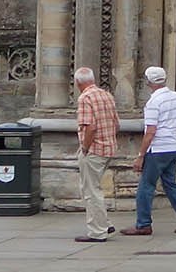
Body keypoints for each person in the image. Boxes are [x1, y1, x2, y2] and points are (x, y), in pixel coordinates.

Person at [121, 65, 176, 235]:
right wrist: (172, 138)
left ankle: (143, 224)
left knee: (145, 186)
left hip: (157, 149)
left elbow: (150, 131)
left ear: (149, 82)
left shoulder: (153, 103)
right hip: (173, 147)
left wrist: (141, 155)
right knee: (171, 184)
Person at [71, 66, 121, 242]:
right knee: (94, 188)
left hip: (94, 150)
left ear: (78, 82)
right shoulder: (106, 95)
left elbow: (90, 127)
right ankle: (105, 223)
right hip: (109, 148)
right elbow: (116, 124)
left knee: (91, 192)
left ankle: (97, 232)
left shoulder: (85, 98)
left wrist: (85, 148)